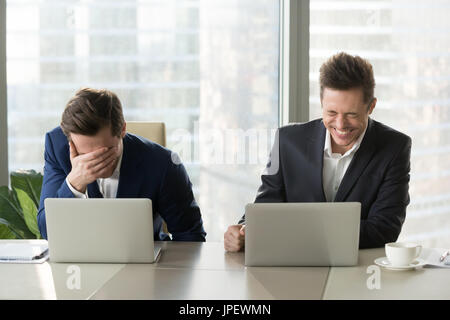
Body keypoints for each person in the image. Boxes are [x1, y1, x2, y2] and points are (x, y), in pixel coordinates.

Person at [224, 52, 411, 251]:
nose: (340, 124)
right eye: (331, 112)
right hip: (294, 267)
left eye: (351, 114)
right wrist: (243, 231)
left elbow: (383, 229)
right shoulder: (287, 141)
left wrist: (298, 232)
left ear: (371, 106)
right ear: (321, 103)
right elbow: (266, 209)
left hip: (359, 271)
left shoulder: (394, 147)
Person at [37, 88, 206, 242]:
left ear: (122, 129)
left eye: (104, 153)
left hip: (143, 265)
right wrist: (74, 183)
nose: (93, 165)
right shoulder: (57, 146)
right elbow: (47, 231)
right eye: (84, 157)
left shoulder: (164, 164)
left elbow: (191, 238)